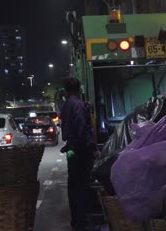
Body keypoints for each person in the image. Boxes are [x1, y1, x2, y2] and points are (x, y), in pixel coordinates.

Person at [60, 77, 100, 231]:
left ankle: (76, 221)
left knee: (73, 184)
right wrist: (93, 148)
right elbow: (82, 129)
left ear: (65, 91)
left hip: (71, 149)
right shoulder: (78, 105)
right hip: (81, 149)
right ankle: (84, 222)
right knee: (83, 185)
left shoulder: (66, 105)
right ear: (80, 89)